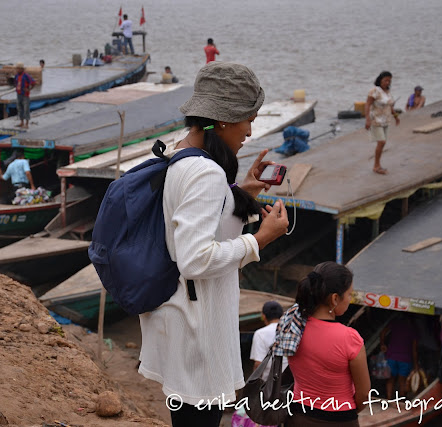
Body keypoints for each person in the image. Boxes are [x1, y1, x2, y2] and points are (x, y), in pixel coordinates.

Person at [138, 62, 289, 427]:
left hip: (181, 316)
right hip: (198, 330)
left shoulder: (182, 153)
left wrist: (242, 192)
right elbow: (196, 259)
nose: (249, 131)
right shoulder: (206, 172)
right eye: (247, 120)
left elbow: (197, 221)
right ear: (223, 120)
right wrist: (260, 239)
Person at [283, 262, 371, 426]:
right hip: (340, 420)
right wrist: (348, 412)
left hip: (298, 417)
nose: (350, 299)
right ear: (335, 298)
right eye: (350, 294)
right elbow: (364, 394)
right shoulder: (349, 338)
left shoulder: (292, 327)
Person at [365, 71, 400, 175]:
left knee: (382, 143)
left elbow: (390, 106)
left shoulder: (387, 92)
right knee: (382, 142)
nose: (387, 82)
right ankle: (376, 166)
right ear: (380, 80)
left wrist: (396, 116)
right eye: (385, 80)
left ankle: (377, 165)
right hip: (376, 120)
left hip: (385, 121)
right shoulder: (374, 91)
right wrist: (367, 119)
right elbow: (367, 104)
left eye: (389, 81)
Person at [381, 314, 418, 398]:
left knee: (390, 379)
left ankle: (389, 399)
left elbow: (383, 332)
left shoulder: (395, 323)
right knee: (402, 381)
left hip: (391, 356)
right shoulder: (413, 329)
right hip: (405, 358)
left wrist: (382, 344)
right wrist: (416, 365)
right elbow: (414, 349)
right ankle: (401, 400)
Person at [250, 301, 288, 381]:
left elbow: (258, 363)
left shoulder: (260, 333)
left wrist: (254, 383)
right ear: (282, 315)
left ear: (263, 316)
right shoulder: (290, 330)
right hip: (290, 381)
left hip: (269, 383)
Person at [13, 62, 36, 129]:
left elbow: (33, 82)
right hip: (19, 94)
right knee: (19, 108)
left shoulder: (26, 75)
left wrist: (29, 89)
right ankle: (21, 122)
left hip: (25, 94)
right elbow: (15, 83)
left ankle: (27, 124)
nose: (17, 70)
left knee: (26, 109)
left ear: (21, 69)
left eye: (18, 69)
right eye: (17, 69)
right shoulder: (16, 75)